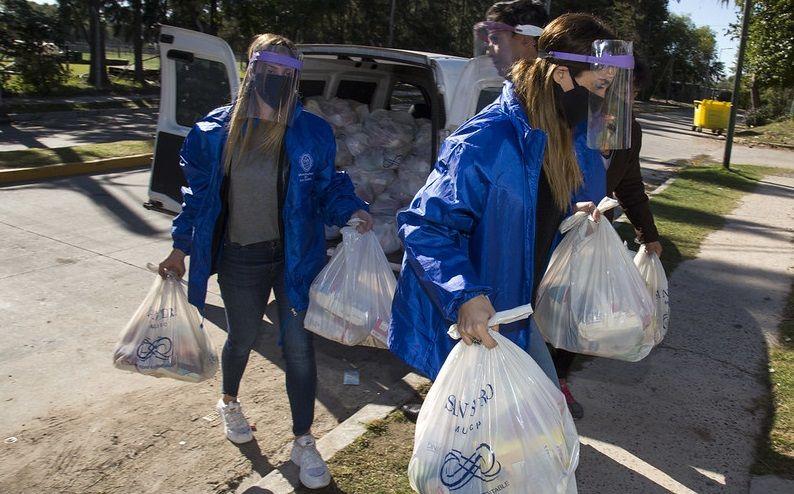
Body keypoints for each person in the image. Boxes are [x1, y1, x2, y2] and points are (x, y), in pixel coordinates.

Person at [157, 34, 372, 490]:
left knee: (298, 347)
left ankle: (303, 440)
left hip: (294, 258)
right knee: (243, 337)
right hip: (240, 257)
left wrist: (351, 210)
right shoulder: (215, 133)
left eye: (286, 73)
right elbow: (197, 198)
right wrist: (180, 247)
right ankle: (230, 402)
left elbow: (328, 185)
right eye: (268, 70)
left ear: (295, 78)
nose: (276, 80)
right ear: (250, 70)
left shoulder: (310, 131)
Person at [388, 14, 631, 385]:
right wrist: (465, 295)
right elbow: (424, 225)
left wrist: (572, 217)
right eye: (600, 85)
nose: (603, 99)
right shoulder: (488, 139)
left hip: (519, 315)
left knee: (538, 430)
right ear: (562, 75)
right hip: (482, 323)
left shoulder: (562, 135)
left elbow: (530, 215)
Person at [551, 56, 663, 420]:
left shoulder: (629, 130)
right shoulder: (568, 119)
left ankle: (558, 381)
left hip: (593, 236)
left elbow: (629, 185)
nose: (625, 100)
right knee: (539, 307)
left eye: (632, 93)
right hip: (551, 232)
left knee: (581, 311)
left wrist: (649, 234)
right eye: (616, 89)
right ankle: (527, 383)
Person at [474, 0, 550, 78]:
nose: (489, 53)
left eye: (495, 40)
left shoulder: (555, 85)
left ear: (526, 39)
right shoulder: (511, 86)